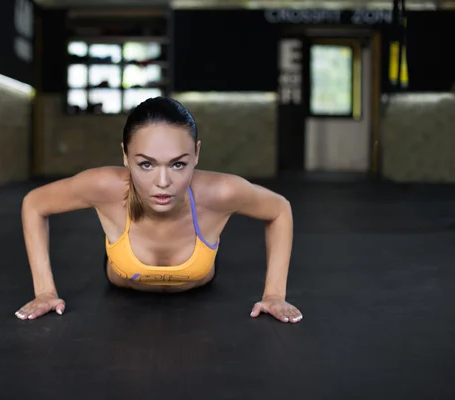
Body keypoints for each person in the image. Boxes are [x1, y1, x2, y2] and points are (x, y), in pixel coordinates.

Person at [15, 97, 303, 324]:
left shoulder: (222, 191)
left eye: (178, 164)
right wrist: (44, 292)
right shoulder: (104, 186)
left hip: (199, 276)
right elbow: (35, 203)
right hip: (122, 274)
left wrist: (275, 295)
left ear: (197, 154)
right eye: (146, 164)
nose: (163, 183)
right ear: (125, 156)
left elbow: (280, 209)